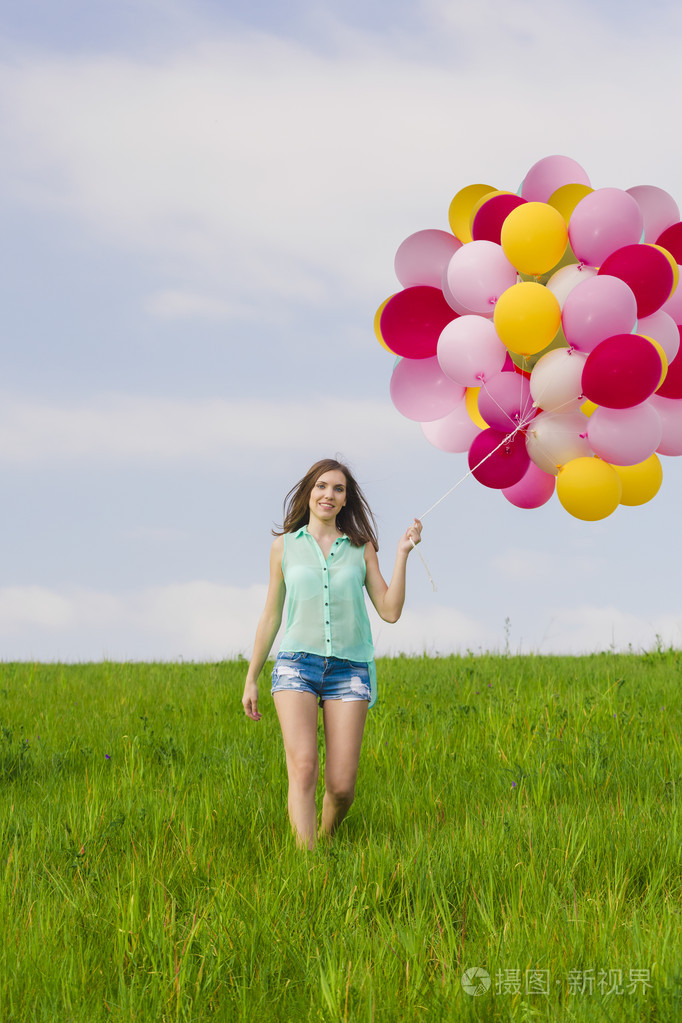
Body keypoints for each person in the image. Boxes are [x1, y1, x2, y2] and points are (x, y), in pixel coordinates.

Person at [242, 457, 422, 850]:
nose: (329, 494)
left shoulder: (361, 548)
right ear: (309, 492)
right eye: (322, 486)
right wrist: (251, 677)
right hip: (295, 667)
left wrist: (403, 553)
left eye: (338, 489)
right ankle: (306, 867)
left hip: (350, 670)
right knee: (303, 769)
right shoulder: (284, 547)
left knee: (341, 788)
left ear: (345, 500)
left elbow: (389, 611)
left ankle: (325, 838)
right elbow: (271, 614)